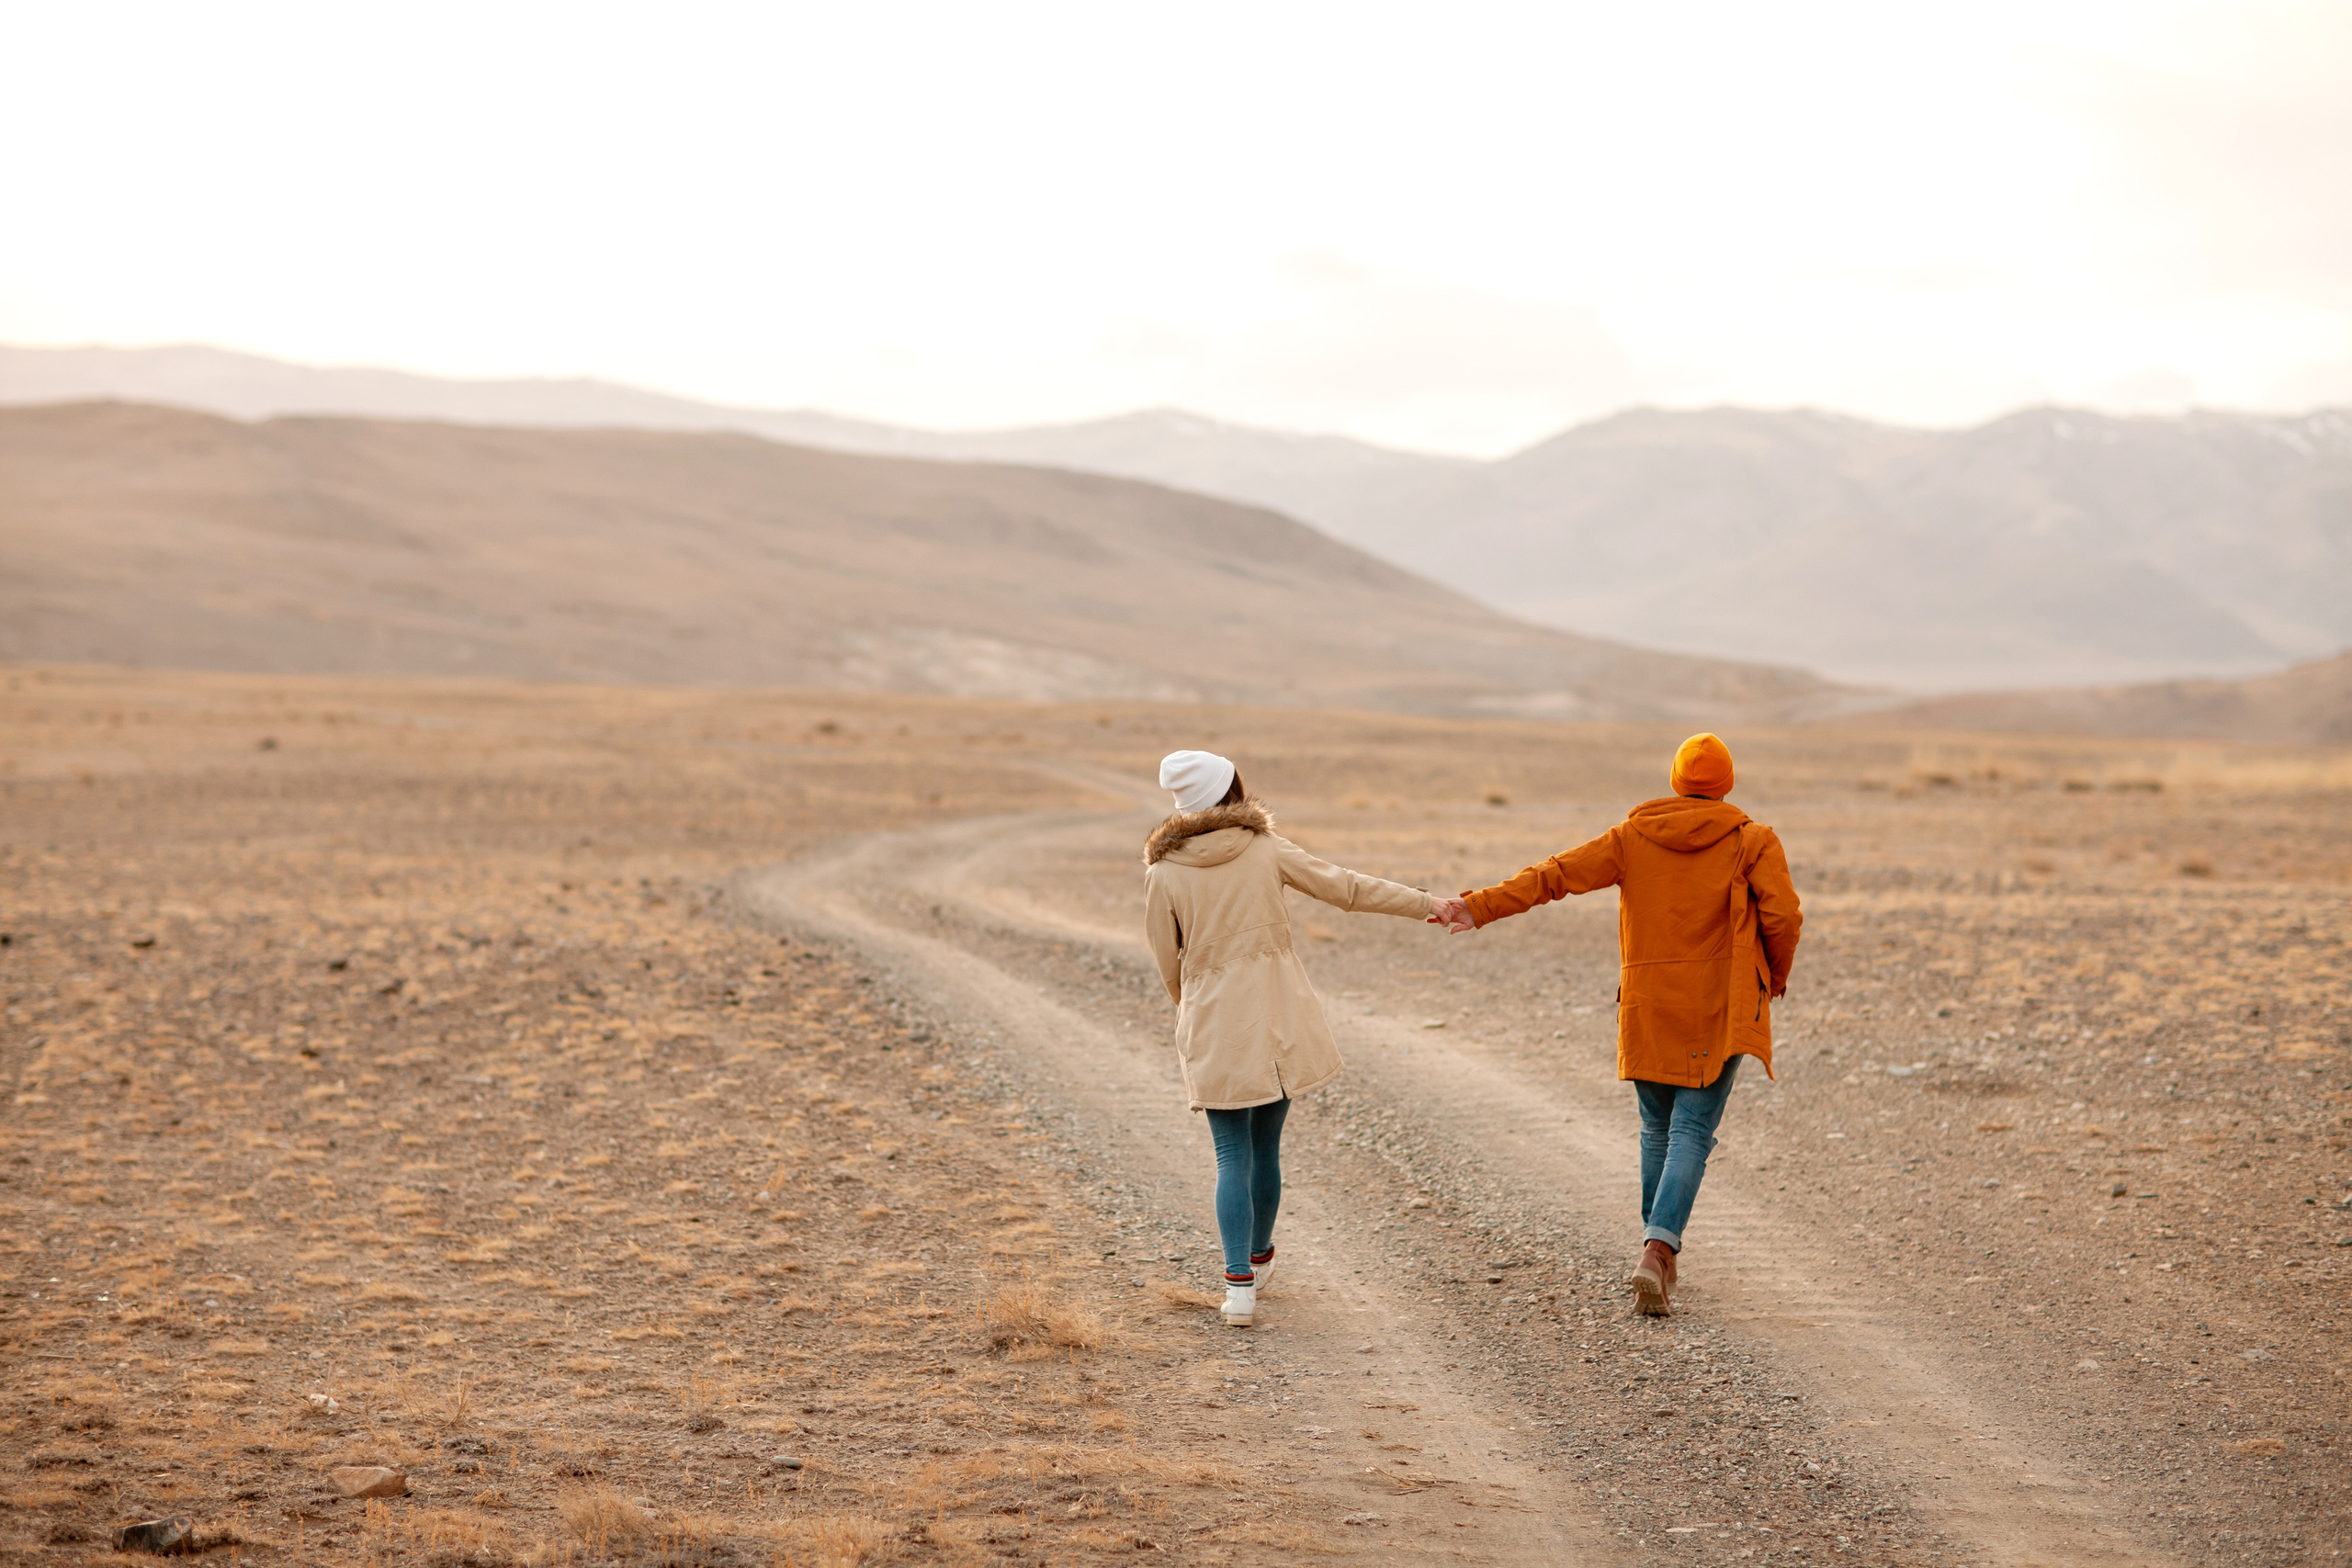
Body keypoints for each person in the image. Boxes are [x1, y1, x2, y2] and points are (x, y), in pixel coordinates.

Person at [1429, 733, 1801, 1316]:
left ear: (1676, 781)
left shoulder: (1632, 837)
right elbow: (1783, 915)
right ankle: (1659, 1249)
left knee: (1658, 1130)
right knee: (1691, 1132)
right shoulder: (1753, 840)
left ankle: (1658, 1253)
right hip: (1718, 1007)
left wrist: (1480, 906)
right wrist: (1772, 979)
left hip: (1648, 1002)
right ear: (1726, 785)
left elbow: (1556, 874)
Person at [1144, 749, 1440, 1327]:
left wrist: (1195, 1012)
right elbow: (1347, 889)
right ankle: (1260, 1257)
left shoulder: (1163, 872)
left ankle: (1238, 1291)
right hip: (1278, 1015)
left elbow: (1166, 961)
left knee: (1229, 1155)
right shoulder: (1264, 848)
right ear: (1230, 791)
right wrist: (1430, 905)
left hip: (1212, 1019)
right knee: (1264, 1149)